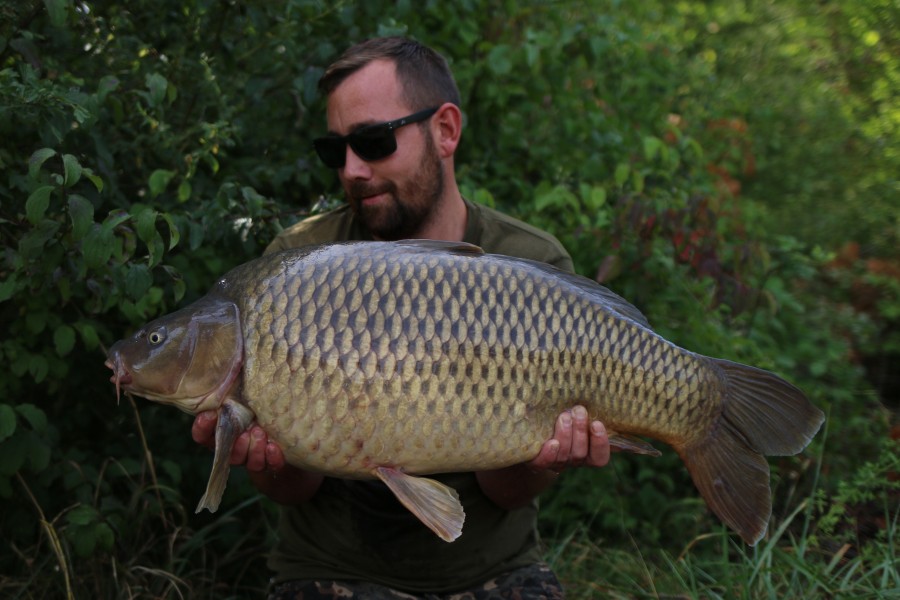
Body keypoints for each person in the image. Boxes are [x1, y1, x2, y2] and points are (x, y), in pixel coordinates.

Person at [192, 37, 611, 599]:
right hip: (331, 569)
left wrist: (549, 458)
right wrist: (266, 461)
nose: (353, 170)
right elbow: (294, 489)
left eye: (373, 141)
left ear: (445, 130)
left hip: (493, 570)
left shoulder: (529, 265)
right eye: (335, 150)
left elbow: (508, 492)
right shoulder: (294, 267)